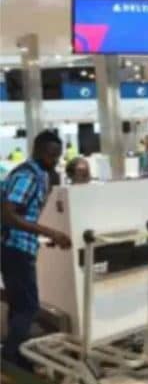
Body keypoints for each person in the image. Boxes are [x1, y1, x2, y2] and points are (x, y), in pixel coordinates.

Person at [1, 131, 72, 369]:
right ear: (39, 150)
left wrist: (41, 238)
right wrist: (52, 233)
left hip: (15, 246)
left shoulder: (33, 173)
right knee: (29, 307)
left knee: (19, 305)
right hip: (16, 250)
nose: (55, 160)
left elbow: (22, 215)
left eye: (57, 156)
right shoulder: (29, 175)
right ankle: (10, 358)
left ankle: (17, 357)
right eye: (52, 155)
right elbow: (10, 214)